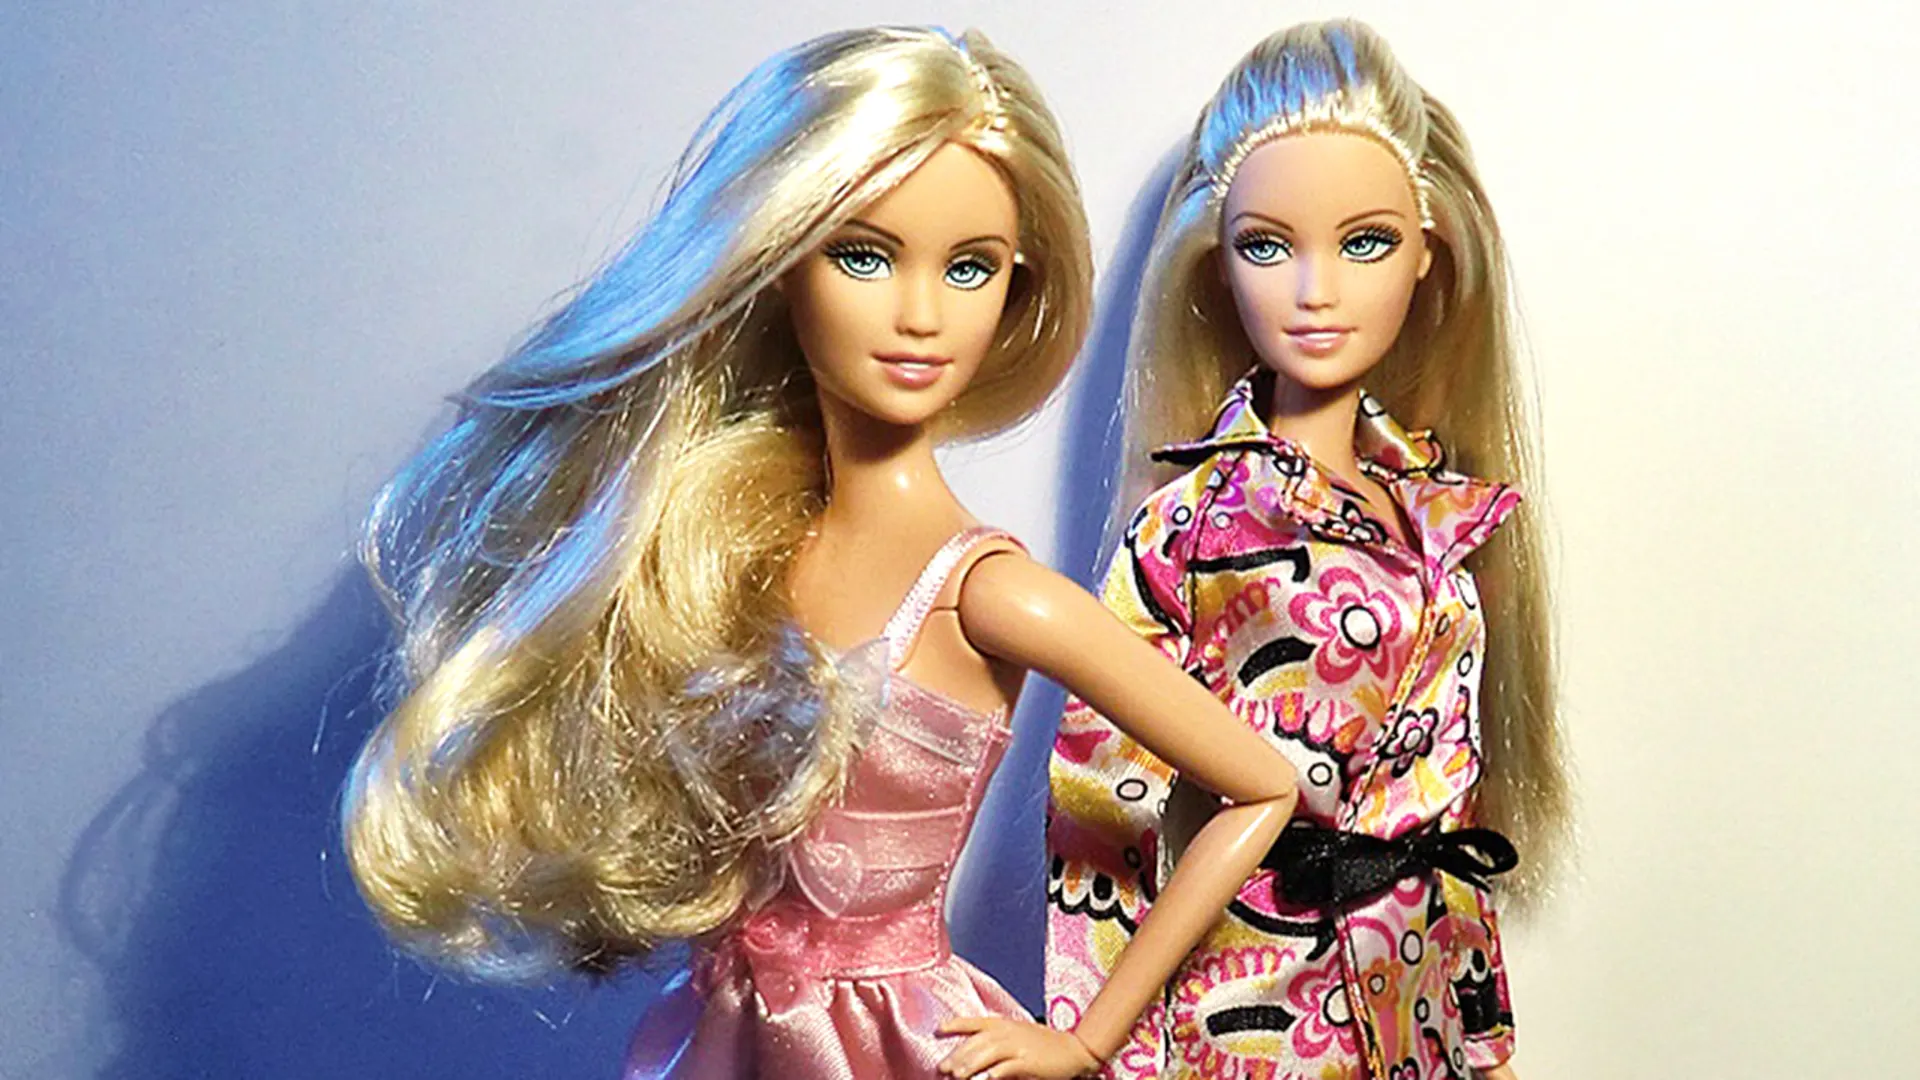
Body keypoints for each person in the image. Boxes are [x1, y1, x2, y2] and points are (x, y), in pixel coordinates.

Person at [341, 26, 1298, 1079]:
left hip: (894, 1044)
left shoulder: (988, 595)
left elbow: (1261, 786)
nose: (921, 316)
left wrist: (1083, 1039)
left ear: (1019, 286)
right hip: (723, 1030)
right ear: (778, 261)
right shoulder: (726, 552)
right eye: (863, 255)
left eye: (970, 268)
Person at [1046, 19, 1572, 1079]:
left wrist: (1486, 1044)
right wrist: (1088, 1041)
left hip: (1413, 1004)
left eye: (1364, 242)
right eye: (1267, 245)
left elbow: (1445, 827)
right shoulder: (1194, 524)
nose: (1315, 290)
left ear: (1429, 253)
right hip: (1260, 1014)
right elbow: (1101, 802)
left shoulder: (1435, 508)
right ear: (1215, 265)